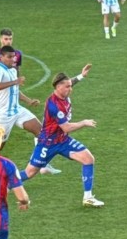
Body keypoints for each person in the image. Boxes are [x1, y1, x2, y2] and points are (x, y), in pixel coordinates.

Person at [0, 29, 62, 174]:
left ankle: (42, 164)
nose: (13, 59)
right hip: (3, 114)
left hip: (17, 110)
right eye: (10, 57)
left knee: (41, 132)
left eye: (14, 57)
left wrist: (28, 101)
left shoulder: (12, 70)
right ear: (1, 57)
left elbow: (15, 91)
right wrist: (14, 82)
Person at [20, 65, 105, 208]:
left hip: (62, 140)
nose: (70, 89)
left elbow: (69, 82)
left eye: (70, 86)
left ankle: (88, 197)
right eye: (67, 87)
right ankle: (5, 182)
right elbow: (66, 127)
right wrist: (83, 122)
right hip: (47, 143)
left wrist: (81, 76)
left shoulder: (63, 93)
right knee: (30, 172)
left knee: (88, 159)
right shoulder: (54, 105)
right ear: (58, 87)